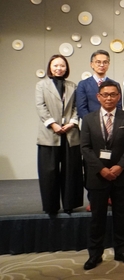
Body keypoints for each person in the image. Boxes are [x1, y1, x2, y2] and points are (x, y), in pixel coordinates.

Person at [80, 80, 124, 270]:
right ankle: (94, 254)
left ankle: (121, 251)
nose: (109, 98)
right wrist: (101, 169)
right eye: (105, 94)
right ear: (98, 97)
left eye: (113, 94)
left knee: (121, 216)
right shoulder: (88, 119)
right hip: (97, 176)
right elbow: (85, 148)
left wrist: (120, 167)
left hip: (120, 175)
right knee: (97, 218)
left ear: (119, 97)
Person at [35, 55, 82, 216]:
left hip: (70, 133)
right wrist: (53, 124)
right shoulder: (41, 85)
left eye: (62, 65)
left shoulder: (72, 85)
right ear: (50, 67)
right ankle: (51, 206)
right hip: (49, 133)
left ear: (66, 68)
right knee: (49, 172)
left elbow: (76, 107)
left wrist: (72, 123)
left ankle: (70, 204)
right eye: (55, 65)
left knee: (71, 171)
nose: (59, 68)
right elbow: (40, 106)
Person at [76, 49, 122, 119]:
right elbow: (81, 108)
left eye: (105, 62)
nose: (102, 65)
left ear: (108, 64)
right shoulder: (83, 84)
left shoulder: (115, 85)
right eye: (98, 62)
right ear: (92, 64)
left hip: (111, 121)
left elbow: (118, 106)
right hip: (90, 122)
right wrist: (92, 123)